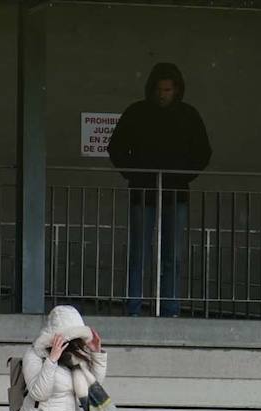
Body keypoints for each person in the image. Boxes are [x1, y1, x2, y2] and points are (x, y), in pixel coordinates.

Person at [107, 62, 212, 317]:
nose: (163, 94)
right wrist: (137, 173)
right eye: (160, 89)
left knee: (171, 257)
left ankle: (170, 309)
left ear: (176, 90)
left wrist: (181, 175)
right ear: (153, 89)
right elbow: (116, 148)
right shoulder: (138, 113)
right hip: (146, 193)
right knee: (140, 256)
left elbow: (202, 152)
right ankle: (136, 308)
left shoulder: (187, 115)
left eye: (168, 89)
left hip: (172, 194)